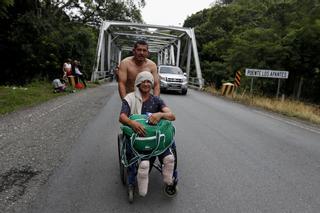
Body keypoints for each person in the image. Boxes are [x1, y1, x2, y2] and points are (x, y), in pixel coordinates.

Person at [119, 71, 176, 197]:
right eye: (143, 81)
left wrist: (160, 114)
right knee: (143, 161)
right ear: (138, 83)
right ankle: (136, 176)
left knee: (168, 145)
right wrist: (132, 123)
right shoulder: (129, 98)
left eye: (149, 82)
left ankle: (169, 176)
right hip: (137, 133)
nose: (146, 84)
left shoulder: (156, 100)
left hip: (154, 135)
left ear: (151, 85)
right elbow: (122, 117)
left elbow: (171, 116)